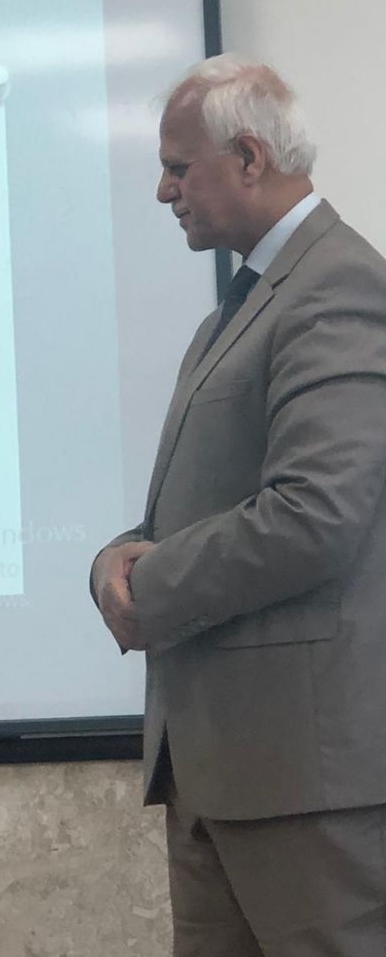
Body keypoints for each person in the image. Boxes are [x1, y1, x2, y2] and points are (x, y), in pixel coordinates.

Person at [91, 54, 386, 956]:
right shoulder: (232, 311)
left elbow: (316, 513)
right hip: (217, 772)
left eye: (178, 168)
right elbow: (192, 512)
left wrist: (151, 587)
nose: (163, 191)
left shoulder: (338, 284)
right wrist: (113, 560)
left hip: (304, 785)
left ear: (250, 157)